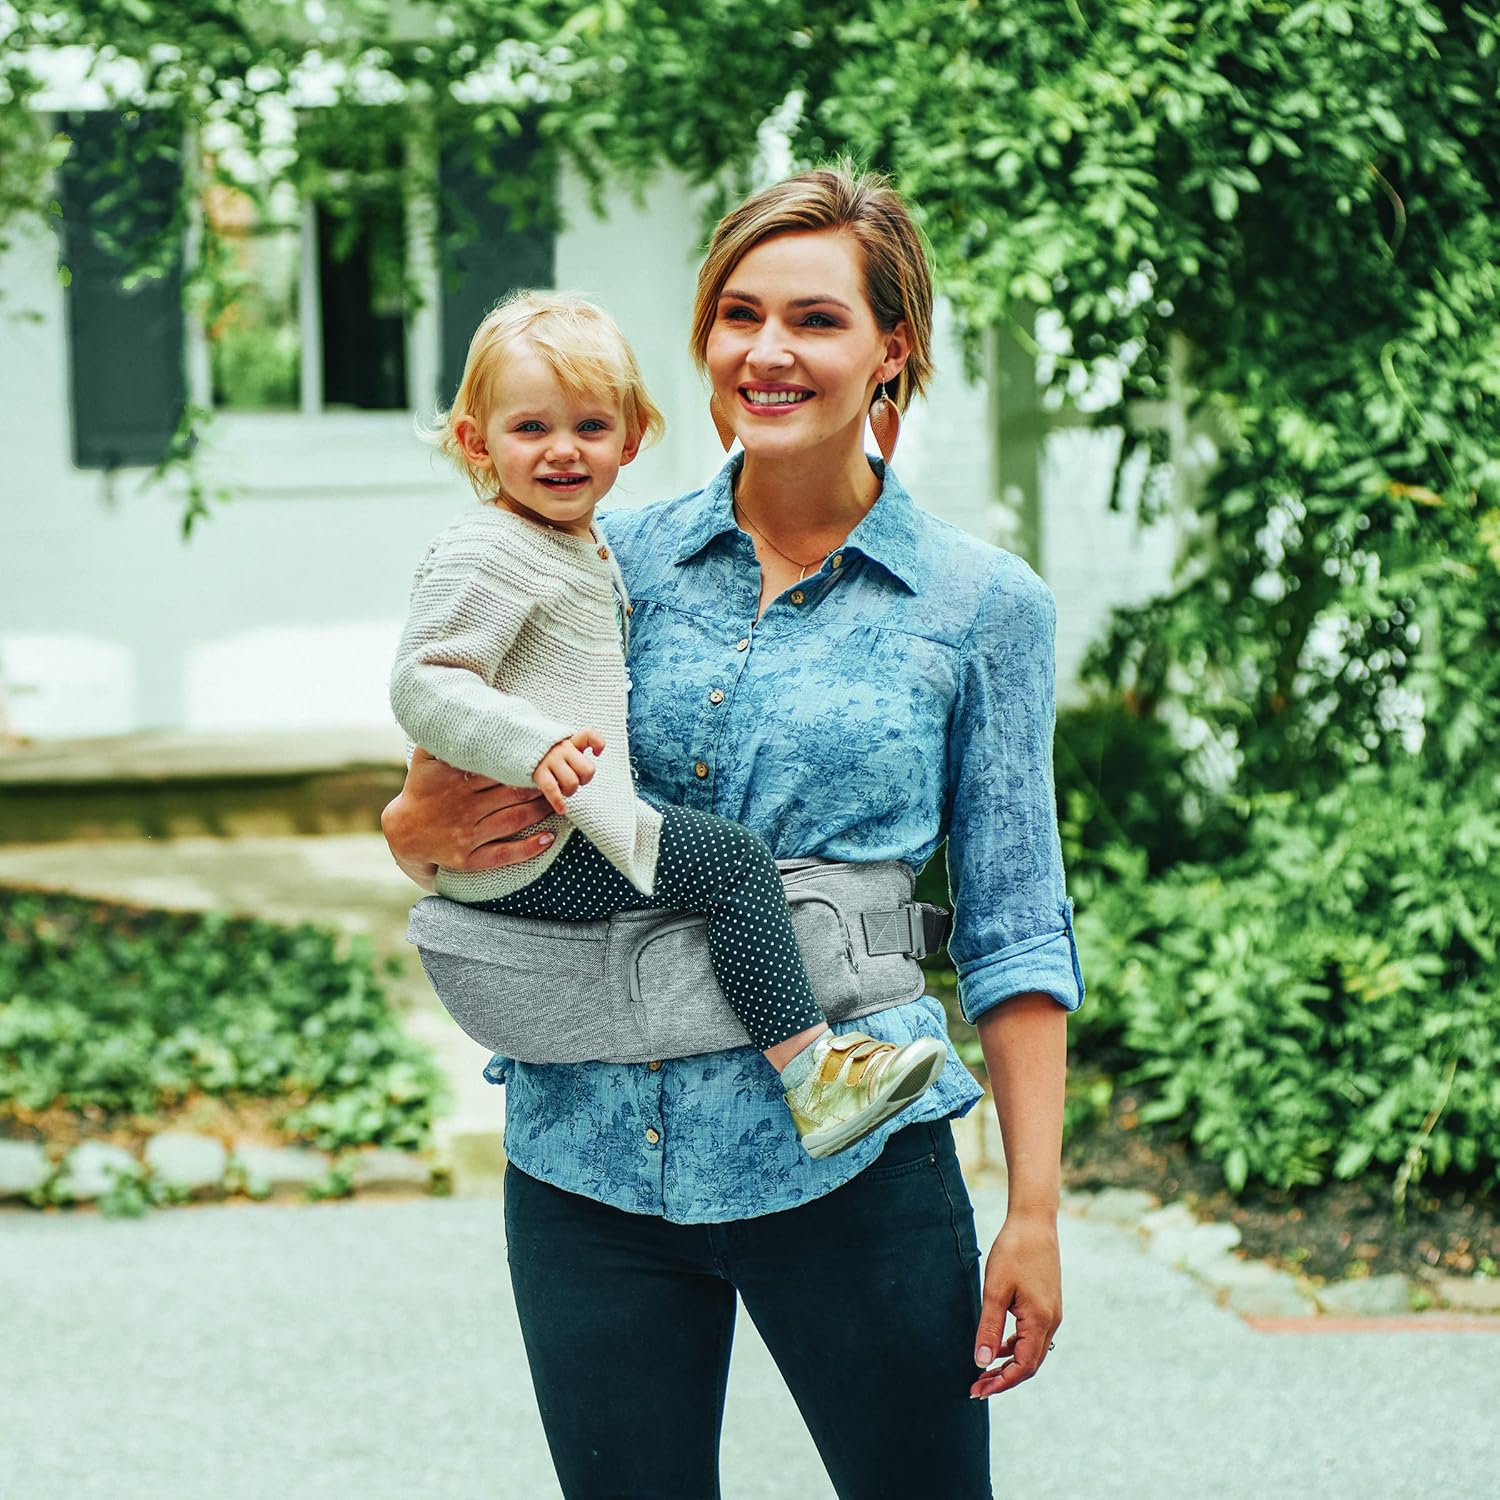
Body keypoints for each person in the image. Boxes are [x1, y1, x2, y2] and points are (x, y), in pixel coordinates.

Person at [383, 164, 1083, 1499]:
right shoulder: (596, 553)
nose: (768, 351)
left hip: (853, 1174)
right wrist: (412, 825)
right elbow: (446, 797)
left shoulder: (980, 606)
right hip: (588, 1160)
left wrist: (1036, 1211)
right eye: (738, 315)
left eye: (816, 319)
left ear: (893, 349)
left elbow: (1015, 923)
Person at [391, 291, 947, 1159]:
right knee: (730, 865)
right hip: (540, 845)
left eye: (590, 426)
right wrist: (530, 749)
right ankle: (815, 1075)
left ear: (632, 438)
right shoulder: (490, 549)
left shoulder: (583, 543)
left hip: (555, 835)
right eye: (530, 428)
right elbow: (423, 682)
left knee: (706, 883)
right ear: (475, 441)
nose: (563, 449)